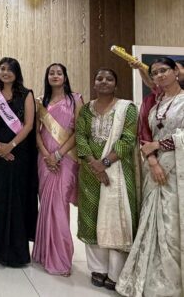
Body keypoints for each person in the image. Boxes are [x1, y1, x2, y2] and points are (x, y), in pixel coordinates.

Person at [117, 57, 184, 297]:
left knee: (172, 225)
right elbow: (144, 134)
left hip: (178, 171)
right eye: (154, 73)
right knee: (153, 221)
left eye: (164, 70)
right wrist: (153, 161)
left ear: (176, 71)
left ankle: (172, 284)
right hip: (155, 170)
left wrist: (159, 144)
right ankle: (149, 279)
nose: (159, 75)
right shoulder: (154, 104)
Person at [76, 68, 138, 291]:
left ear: (116, 85)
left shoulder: (127, 109)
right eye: (99, 78)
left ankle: (116, 272)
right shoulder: (86, 109)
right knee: (91, 216)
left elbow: (128, 139)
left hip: (118, 171)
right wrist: (94, 164)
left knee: (116, 218)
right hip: (90, 171)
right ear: (94, 84)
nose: (104, 82)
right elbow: (80, 137)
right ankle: (98, 268)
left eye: (109, 79)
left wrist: (105, 163)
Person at [0, 57, 37, 266]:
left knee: (18, 200)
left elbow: (29, 124)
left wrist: (10, 146)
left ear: (17, 73)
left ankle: (18, 252)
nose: (5, 72)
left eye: (10, 69)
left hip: (19, 153)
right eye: (2, 68)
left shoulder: (26, 94)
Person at [33, 63, 83, 275]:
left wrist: (59, 155)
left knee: (60, 207)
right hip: (45, 160)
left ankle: (61, 259)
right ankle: (44, 253)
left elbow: (78, 131)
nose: (55, 76)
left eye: (59, 73)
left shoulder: (76, 99)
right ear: (47, 77)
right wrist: (46, 155)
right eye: (51, 73)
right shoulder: (40, 102)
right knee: (46, 205)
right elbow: (36, 132)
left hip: (66, 159)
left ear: (65, 77)